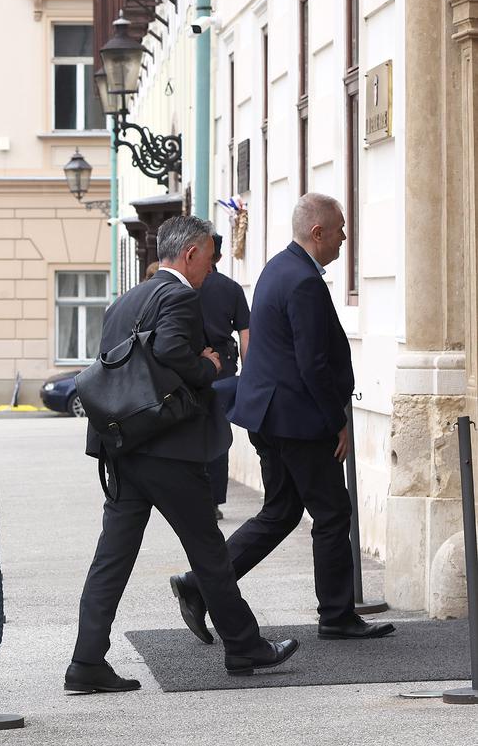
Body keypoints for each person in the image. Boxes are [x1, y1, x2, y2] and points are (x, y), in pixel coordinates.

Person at [67, 215, 299, 693]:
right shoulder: (179, 296)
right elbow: (173, 350)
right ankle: (244, 645)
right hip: (168, 448)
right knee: (209, 550)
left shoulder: (126, 300)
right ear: (191, 254)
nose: (211, 271)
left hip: (125, 445)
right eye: (210, 260)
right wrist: (207, 365)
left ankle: (86, 661)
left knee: (112, 557)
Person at [172, 195, 395, 643]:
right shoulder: (304, 281)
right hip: (298, 419)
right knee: (332, 513)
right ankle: (337, 615)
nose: (344, 237)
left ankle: (199, 585)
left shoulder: (278, 267)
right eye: (339, 229)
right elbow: (313, 363)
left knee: (280, 512)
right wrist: (336, 420)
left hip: (271, 415)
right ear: (318, 232)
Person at [199, 234, 250, 520]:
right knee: (218, 435)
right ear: (219, 257)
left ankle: (192, 497)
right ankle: (213, 501)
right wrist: (249, 373)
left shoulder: (184, 286)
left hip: (191, 368)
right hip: (224, 371)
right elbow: (245, 334)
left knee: (192, 433)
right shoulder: (230, 288)